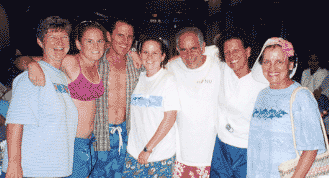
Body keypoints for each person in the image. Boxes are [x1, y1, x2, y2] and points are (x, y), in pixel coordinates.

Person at [26, 21, 107, 177]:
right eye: (89, 41)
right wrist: (31, 65)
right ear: (78, 43)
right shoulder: (70, 62)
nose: (95, 46)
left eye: (99, 41)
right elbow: (23, 60)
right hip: (70, 142)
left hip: (90, 141)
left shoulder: (98, 65)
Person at [1, 16, 79, 178]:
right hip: (31, 170)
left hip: (55, 170)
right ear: (40, 42)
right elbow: (15, 123)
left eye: (64, 37)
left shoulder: (63, 78)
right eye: (52, 37)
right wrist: (14, 166)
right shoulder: (30, 77)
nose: (60, 43)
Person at [247, 37, 326, 177]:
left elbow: (311, 149)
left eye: (279, 61)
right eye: (267, 62)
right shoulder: (262, 95)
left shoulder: (301, 97)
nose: (272, 68)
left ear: (290, 64)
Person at [210, 28, 268, 177]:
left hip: (246, 149)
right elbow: (201, 52)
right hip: (221, 145)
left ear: (247, 52)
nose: (231, 56)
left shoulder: (261, 83)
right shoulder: (223, 69)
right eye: (227, 52)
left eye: (236, 50)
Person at [89, 20, 142, 178]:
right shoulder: (95, 61)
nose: (125, 41)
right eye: (120, 35)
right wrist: (30, 64)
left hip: (127, 134)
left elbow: (164, 64)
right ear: (108, 36)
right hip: (99, 134)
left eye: (129, 37)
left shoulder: (137, 64)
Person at [167, 27, 220, 177]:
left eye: (194, 48)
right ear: (177, 50)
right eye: (183, 50)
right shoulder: (171, 68)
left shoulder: (219, 65)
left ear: (203, 47)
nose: (189, 55)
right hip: (181, 155)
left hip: (212, 154)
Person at [123, 37, 180, 177]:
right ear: (140, 54)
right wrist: (131, 52)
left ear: (163, 56)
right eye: (145, 52)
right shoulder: (139, 77)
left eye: (155, 53)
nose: (149, 57)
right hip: (134, 152)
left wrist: (148, 148)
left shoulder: (168, 80)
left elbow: (170, 118)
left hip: (158, 154)